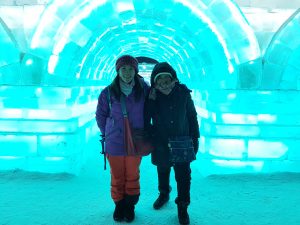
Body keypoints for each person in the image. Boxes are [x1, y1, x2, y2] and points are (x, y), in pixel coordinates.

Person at [95, 55, 149, 223]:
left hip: (136, 140)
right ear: (118, 71)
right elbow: (100, 115)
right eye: (123, 69)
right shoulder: (108, 92)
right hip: (114, 141)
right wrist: (109, 132)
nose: (127, 72)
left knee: (133, 174)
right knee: (117, 175)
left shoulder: (144, 90)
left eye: (130, 69)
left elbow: (155, 106)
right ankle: (119, 205)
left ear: (136, 71)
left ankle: (130, 205)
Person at [144, 62, 200, 225]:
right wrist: (151, 134)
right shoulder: (152, 95)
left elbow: (192, 115)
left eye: (166, 78)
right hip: (161, 140)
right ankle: (164, 193)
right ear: (155, 81)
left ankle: (182, 206)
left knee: (183, 175)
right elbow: (147, 117)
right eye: (159, 78)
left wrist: (194, 138)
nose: (163, 82)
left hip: (182, 139)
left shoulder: (183, 93)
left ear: (173, 78)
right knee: (163, 169)